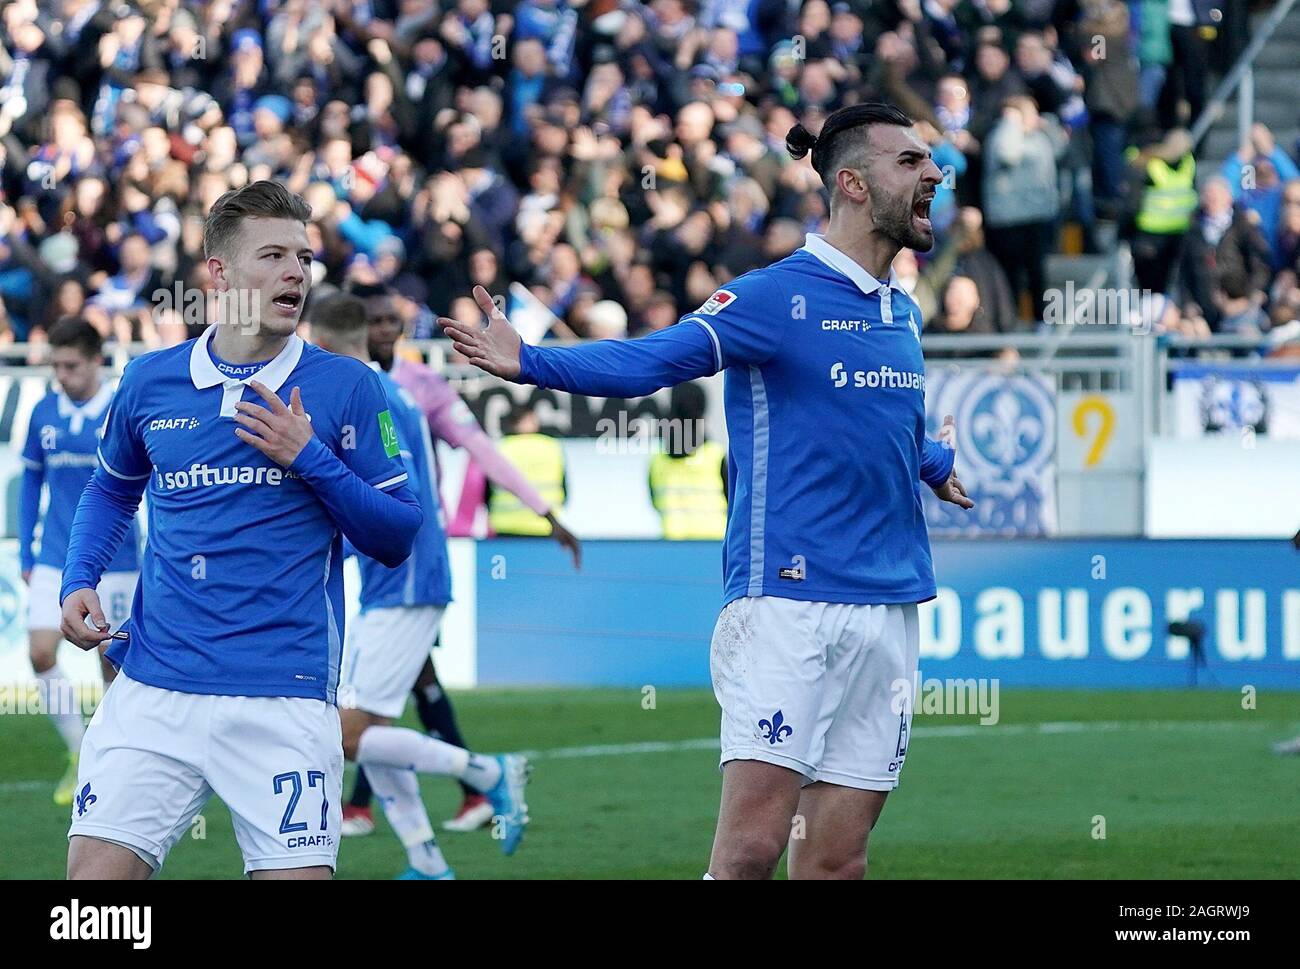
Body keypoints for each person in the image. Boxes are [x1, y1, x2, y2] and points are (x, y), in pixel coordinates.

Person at [442, 102, 974, 880]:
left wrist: (931, 460)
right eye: (912, 161)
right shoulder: (772, 295)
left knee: (836, 862)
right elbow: (652, 360)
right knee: (750, 855)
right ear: (853, 184)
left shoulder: (903, 309)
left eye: (931, 161)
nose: (934, 173)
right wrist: (533, 361)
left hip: (892, 605)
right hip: (788, 604)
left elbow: (871, 416)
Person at [58, 179, 422, 880]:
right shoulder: (149, 381)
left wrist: (308, 457)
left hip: (283, 695)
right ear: (219, 273)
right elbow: (110, 489)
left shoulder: (348, 387)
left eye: (305, 258)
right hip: (155, 687)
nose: (296, 272)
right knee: (93, 896)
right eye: (275, 255)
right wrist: (80, 579)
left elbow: (396, 533)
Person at [340, 282, 580, 836]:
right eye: (372, 320)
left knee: (362, 724)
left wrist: (544, 510)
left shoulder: (417, 388)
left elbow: (480, 450)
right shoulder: (350, 384)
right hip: (386, 574)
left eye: (389, 319)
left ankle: (473, 781)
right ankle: (433, 839)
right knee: (410, 694)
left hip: (407, 572)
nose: (382, 329)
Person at [308, 293, 530, 877]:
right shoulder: (387, 391)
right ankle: (427, 862)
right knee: (364, 728)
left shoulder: (374, 395)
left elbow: (395, 494)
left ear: (325, 344)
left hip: (406, 581)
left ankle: (488, 772)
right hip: (392, 583)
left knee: (345, 735)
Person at [19, 316, 141, 806]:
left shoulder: (119, 408)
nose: (61, 376)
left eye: (70, 366)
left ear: (95, 360)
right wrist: (26, 547)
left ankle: (106, 762)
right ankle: (79, 751)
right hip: (55, 555)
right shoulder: (43, 412)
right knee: (40, 654)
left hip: (118, 557)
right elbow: (30, 480)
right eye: (56, 366)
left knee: (110, 663)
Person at [648, 382, 727, 540]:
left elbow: (655, 505)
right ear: (702, 414)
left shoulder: (657, 462)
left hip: (672, 551)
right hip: (714, 550)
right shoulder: (717, 457)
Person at [489, 403, 566, 537]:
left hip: (506, 527)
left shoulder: (500, 448)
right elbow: (565, 490)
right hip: (546, 525)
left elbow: (486, 491)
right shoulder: (552, 447)